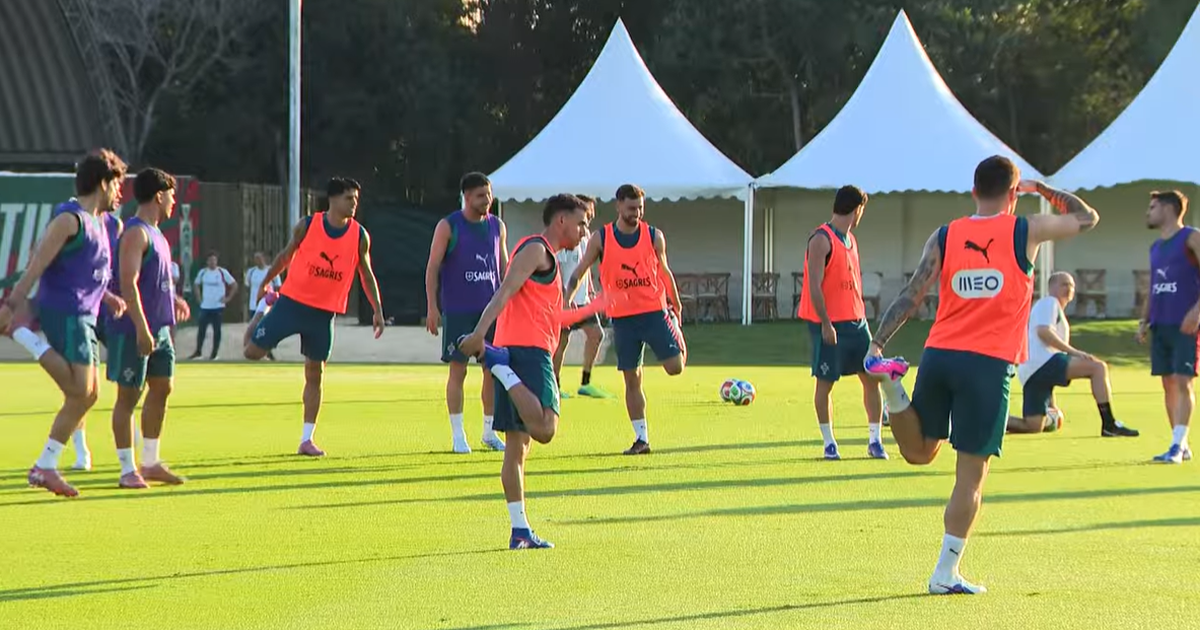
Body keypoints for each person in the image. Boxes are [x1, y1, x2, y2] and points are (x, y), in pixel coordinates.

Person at [863, 155, 1100, 594]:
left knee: (919, 451)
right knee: (970, 477)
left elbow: (913, 293)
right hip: (987, 366)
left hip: (938, 355)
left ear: (973, 191)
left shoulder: (945, 235)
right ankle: (944, 574)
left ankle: (893, 387)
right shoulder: (1025, 229)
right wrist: (1042, 190)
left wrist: (877, 343)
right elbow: (1087, 218)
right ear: (1013, 194)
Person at [458, 193, 590, 549]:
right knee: (545, 428)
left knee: (517, 448)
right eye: (581, 223)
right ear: (561, 220)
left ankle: (519, 531)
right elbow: (504, 291)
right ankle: (501, 369)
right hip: (525, 353)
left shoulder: (546, 258)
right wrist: (480, 334)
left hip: (520, 350)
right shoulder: (536, 250)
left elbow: (540, 309)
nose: (584, 231)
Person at [0, 148, 128, 498]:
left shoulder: (105, 224)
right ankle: (22, 333)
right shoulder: (70, 220)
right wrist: (12, 305)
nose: (120, 192)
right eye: (117, 184)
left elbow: (89, 273)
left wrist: (108, 297)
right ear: (103, 183)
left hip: (86, 314)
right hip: (66, 312)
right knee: (79, 391)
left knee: (89, 394)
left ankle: (46, 464)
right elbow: (36, 265)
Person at [244, 177, 385, 456]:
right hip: (291, 304)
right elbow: (286, 256)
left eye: (356, 199)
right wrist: (265, 282)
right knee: (252, 353)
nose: (354, 204)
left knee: (315, 373)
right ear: (332, 199)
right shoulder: (308, 225)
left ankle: (307, 439)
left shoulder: (360, 236)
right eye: (348, 198)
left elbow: (366, 274)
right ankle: (262, 312)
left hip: (323, 314)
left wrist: (378, 309)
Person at [565, 184, 686, 455]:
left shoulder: (654, 236)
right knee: (632, 379)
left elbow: (664, 271)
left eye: (640, 208)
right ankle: (641, 439)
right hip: (623, 319)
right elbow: (579, 272)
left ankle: (676, 335)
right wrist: (567, 298)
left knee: (675, 367)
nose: (637, 213)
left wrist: (676, 304)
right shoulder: (602, 238)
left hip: (654, 312)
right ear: (618, 205)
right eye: (631, 208)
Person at [107, 168, 192, 488]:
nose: (173, 202)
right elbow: (128, 283)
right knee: (128, 396)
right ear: (158, 195)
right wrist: (142, 328)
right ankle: (127, 469)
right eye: (171, 195)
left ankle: (151, 462)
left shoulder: (157, 234)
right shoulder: (136, 233)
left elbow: (154, 280)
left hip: (160, 329)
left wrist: (174, 299)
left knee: (162, 387)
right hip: (134, 330)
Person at [798, 185, 888, 460]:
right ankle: (829, 443)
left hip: (856, 323)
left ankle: (875, 440)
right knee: (825, 383)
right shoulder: (821, 239)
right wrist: (826, 323)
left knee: (871, 378)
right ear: (856, 209)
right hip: (830, 324)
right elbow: (813, 285)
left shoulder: (851, 240)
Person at [424, 172, 507, 453]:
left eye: (489, 194)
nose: (487, 200)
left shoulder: (498, 226)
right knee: (458, 371)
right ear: (467, 197)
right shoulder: (449, 226)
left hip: (490, 312)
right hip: (458, 311)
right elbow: (432, 267)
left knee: (492, 372)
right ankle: (458, 435)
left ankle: (489, 432)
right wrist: (432, 306)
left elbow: (504, 269)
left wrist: (508, 305)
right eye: (481, 195)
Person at [1008, 271, 1139, 437]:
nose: (1069, 288)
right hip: (1041, 364)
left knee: (1033, 425)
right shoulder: (1049, 302)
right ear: (1051, 288)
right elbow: (1043, 332)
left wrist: (1051, 402)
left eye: (1072, 285)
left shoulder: (1053, 309)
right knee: (1098, 368)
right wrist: (1074, 352)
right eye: (1064, 284)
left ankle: (989, 421)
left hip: (1031, 372)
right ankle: (1109, 424)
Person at [1138, 190, 1197, 463]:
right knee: (1169, 384)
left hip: (1186, 324)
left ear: (1168, 209)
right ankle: (1179, 443)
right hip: (1160, 324)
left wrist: (1197, 311)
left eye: (1152, 207)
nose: (1147, 212)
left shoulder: (1191, 238)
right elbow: (1153, 286)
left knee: (1184, 382)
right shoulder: (1155, 247)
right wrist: (1144, 320)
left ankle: (1177, 445)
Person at [71, 204, 123, 472]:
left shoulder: (115, 225)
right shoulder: (74, 220)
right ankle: (81, 451)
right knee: (80, 388)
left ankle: (133, 443)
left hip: (112, 314)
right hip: (82, 312)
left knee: (129, 378)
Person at [553, 194, 608, 399]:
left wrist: (590, 288)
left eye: (592, 213)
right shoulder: (566, 237)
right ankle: (555, 385)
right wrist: (563, 299)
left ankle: (585, 382)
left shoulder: (587, 237)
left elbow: (584, 266)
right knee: (561, 342)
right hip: (566, 301)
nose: (591, 216)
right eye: (588, 212)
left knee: (597, 335)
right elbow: (558, 268)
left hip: (582, 300)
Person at [190, 251, 236, 360]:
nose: (212, 262)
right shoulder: (203, 272)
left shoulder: (222, 272)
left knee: (217, 330)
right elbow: (196, 284)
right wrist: (199, 298)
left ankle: (214, 353)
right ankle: (198, 351)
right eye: (210, 260)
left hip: (218, 306)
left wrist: (228, 298)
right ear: (207, 262)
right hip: (205, 306)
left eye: (214, 260)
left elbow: (234, 285)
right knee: (201, 330)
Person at [245, 251, 280, 360]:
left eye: (259, 258)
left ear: (264, 258)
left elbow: (278, 287)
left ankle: (267, 352)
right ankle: (251, 349)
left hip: (267, 306)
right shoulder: (251, 272)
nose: (257, 260)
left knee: (266, 329)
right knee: (253, 329)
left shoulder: (271, 271)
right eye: (255, 258)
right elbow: (248, 288)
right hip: (254, 306)